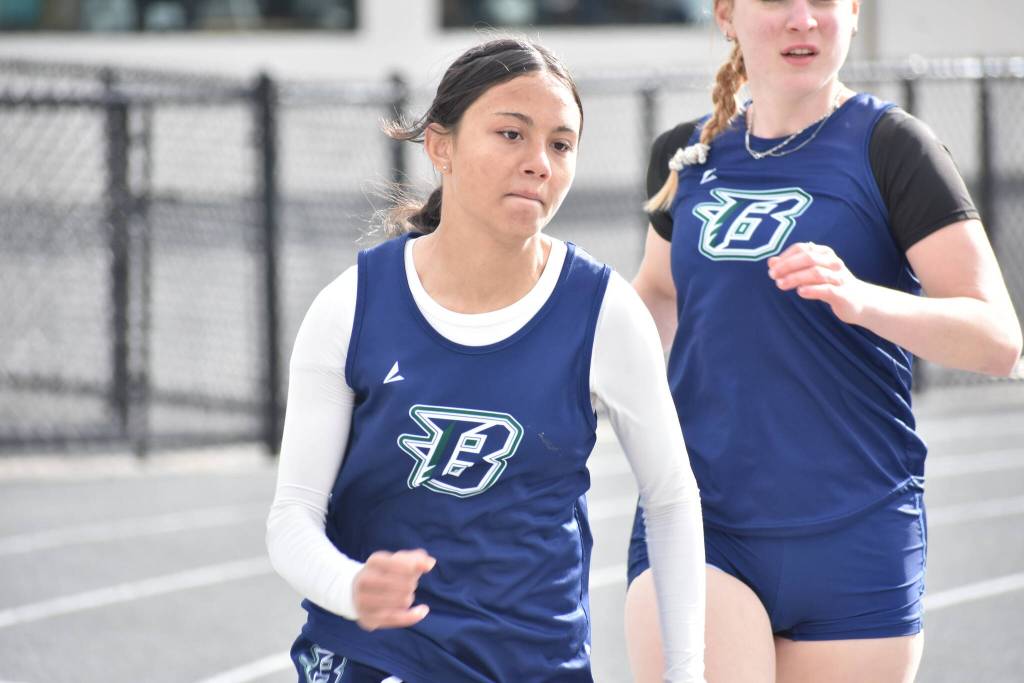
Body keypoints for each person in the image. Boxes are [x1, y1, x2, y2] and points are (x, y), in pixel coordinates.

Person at [266, 38, 706, 683]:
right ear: (440, 147)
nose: (538, 163)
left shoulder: (602, 311)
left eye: (560, 144)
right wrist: (354, 586)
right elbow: (292, 518)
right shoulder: (351, 306)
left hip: (532, 665)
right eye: (510, 134)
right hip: (376, 657)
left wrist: (687, 672)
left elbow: (670, 499)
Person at [624, 1, 1023, 682]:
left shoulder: (894, 148)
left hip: (856, 533)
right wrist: (576, 375)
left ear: (855, 14)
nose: (802, 20)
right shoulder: (683, 155)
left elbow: (998, 342)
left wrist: (862, 299)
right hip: (702, 518)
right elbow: (658, 293)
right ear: (726, 15)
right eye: (778, 0)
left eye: (823, 1)